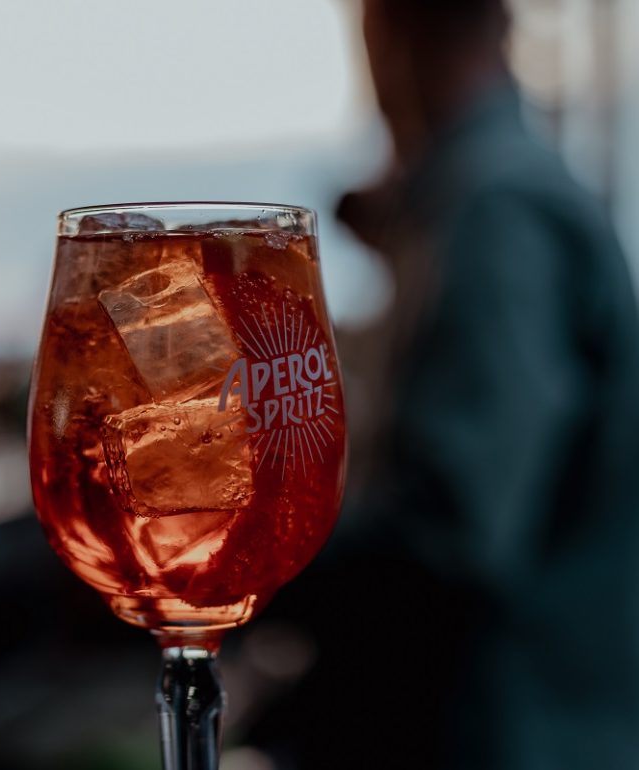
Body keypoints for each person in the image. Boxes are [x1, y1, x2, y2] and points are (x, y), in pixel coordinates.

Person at [248, 1, 639, 767]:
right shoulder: (488, 196)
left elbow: (450, 540)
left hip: (509, 731)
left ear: (388, 37)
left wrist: (237, 557)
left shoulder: (498, 212)